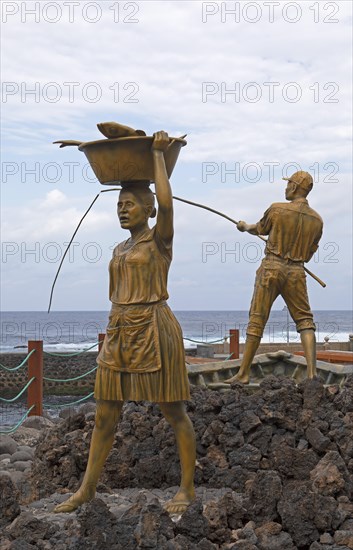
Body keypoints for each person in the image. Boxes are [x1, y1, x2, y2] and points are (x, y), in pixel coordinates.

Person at [54, 131, 196, 515]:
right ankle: (86, 489)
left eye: (130, 204)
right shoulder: (120, 248)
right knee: (105, 413)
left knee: (173, 410)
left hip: (154, 327)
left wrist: (156, 156)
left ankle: (186, 488)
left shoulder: (159, 241)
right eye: (119, 204)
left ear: (148, 210)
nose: (122, 209)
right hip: (119, 328)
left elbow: (166, 203)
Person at [226, 170, 323, 384]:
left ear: (296, 187)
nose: (285, 187)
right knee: (305, 321)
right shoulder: (317, 221)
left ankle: (243, 374)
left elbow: (259, 228)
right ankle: (312, 375)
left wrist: (244, 227)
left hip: (272, 267)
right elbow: (308, 254)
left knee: (257, 319)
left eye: (288, 183)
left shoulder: (277, 208)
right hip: (297, 272)